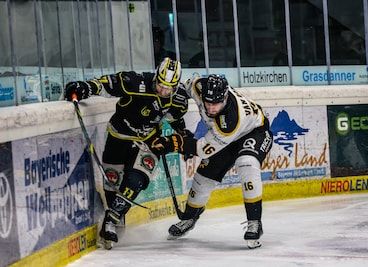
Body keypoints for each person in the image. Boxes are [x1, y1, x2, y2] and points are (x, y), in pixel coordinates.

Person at [64, 57, 189, 249]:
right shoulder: (136, 82)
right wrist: (84, 87)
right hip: (119, 136)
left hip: (148, 141)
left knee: (136, 180)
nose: (164, 91)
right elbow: (107, 84)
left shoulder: (179, 98)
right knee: (112, 183)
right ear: (155, 76)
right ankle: (116, 218)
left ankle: (111, 220)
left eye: (169, 88)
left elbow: (175, 119)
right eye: (161, 85)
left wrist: (182, 137)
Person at [151, 74, 273, 249]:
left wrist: (173, 143)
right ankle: (189, 218)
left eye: (215, 103)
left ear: (224, 97)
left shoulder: (230, 120)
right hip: (224, 137)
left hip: (254, 132)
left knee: (246, 162)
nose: (210, 108)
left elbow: (201, 149)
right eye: (207, 102)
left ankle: (255, 222)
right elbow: (181, 88)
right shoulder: (199, 86)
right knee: (203, 177)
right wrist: (170, 108)